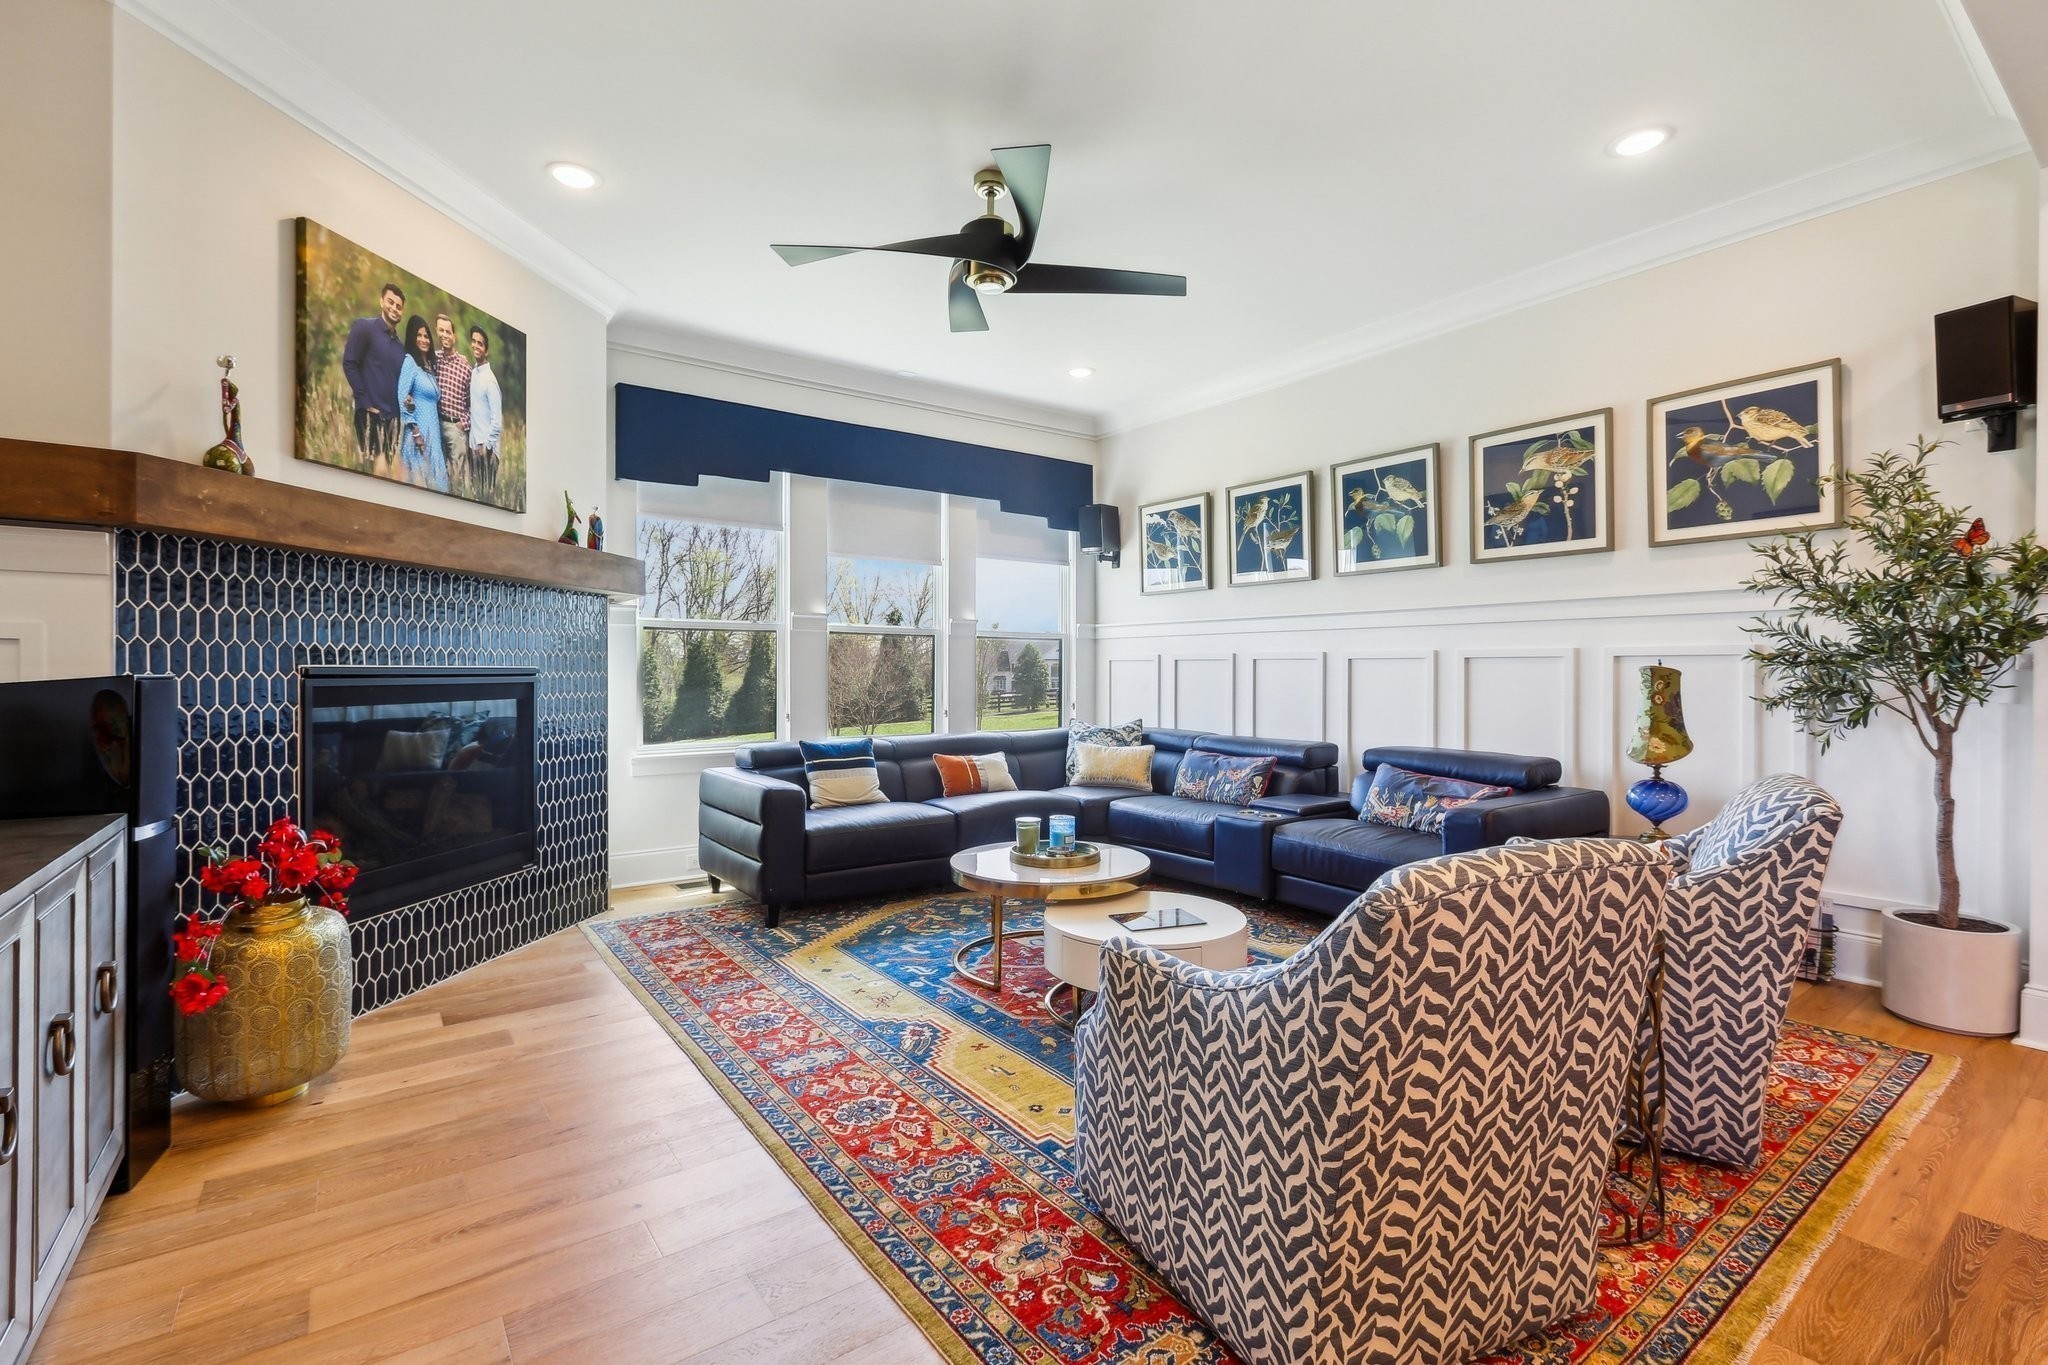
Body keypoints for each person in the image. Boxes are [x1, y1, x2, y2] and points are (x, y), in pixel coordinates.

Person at [340, 283, 406, 476]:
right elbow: (349, 363)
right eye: (390, 302)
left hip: (393, 419)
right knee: (380, 471)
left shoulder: (400, 347)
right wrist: (365, 401)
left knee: (384, 476)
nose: (394, 308)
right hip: (371, 414)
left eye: (399, 306)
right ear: (381, 301)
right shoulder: (365, 327)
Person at [395, 315, 445, 490]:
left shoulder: (430, 366)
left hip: (434, 434)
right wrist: (416, 432)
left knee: (438, 485)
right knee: (419, 484)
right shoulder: (410, 361)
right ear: (412, 337)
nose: (424, 340)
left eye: (426, 336)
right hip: (419, 434)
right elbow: (402, 396)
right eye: (419, 335)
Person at [432, 313, 473, 498]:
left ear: (454, 335)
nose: (444, 335)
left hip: (456, 426)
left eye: (448, 331)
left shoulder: (465, 366)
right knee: (438, 473)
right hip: (435, 423)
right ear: (437, 332)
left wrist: (462, 424)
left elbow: (473, 403)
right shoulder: (434, 359)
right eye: (441, 330)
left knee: (456, 477)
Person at [466, 324, 503, 502]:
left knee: (487, 499)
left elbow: (497, 421)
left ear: (486, 350)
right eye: (473, 341)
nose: (476, 346)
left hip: (487, 451)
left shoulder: (490, 380)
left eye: (480, 343)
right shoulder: (474, 373)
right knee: (476, 498)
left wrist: (486, 447)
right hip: (474, 448)